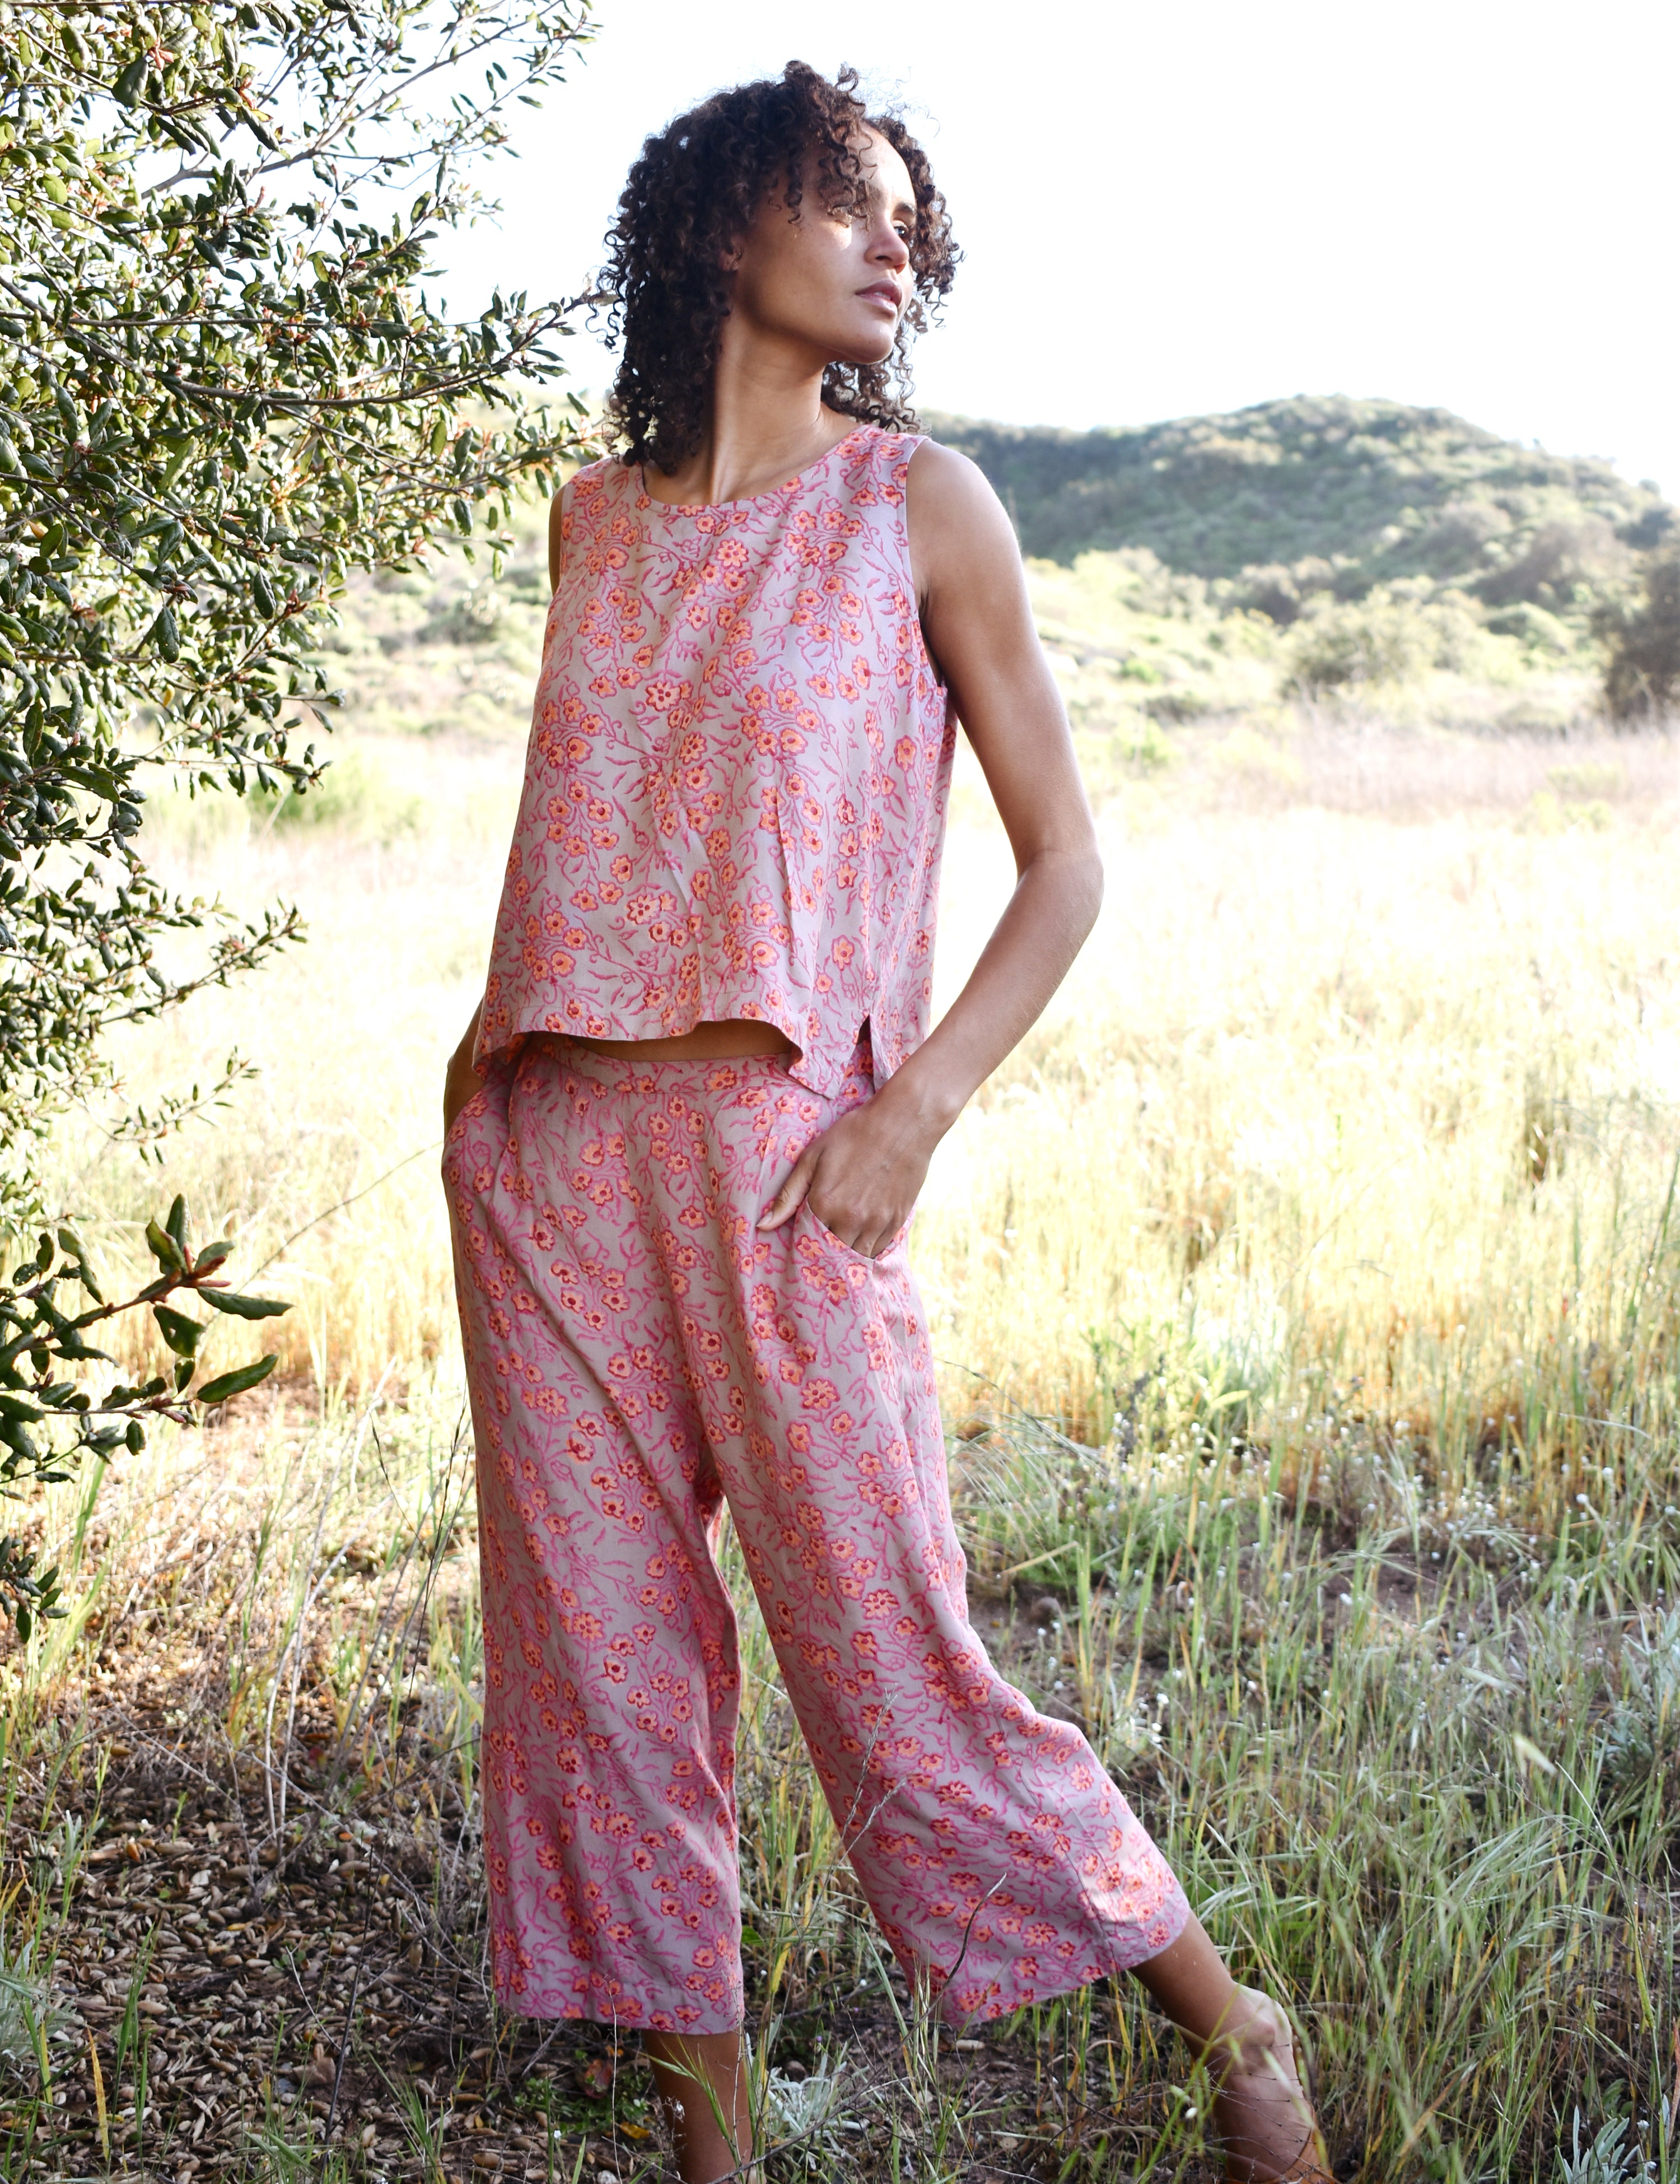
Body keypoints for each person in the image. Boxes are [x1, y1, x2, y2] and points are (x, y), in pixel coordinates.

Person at [441, 61, 1332, 2184]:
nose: (891, 236)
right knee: (601, 1683)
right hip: (552, 1159)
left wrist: (913, 1108)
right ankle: (714, 2151)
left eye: (905, 212)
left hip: (790, 1165)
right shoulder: (592, 521)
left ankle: (1232, 2023)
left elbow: (1069, 864)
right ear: (722, 223)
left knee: (888, 1656)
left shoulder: (920, 506)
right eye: (845, 194)